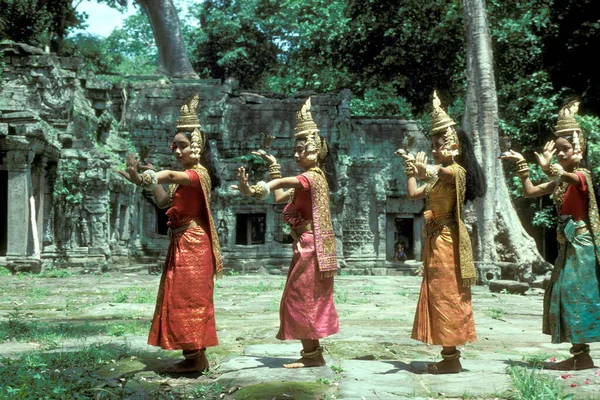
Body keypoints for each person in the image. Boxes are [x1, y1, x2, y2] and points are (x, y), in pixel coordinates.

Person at [231, 98, 339, 368]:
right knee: (302, 296)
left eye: (301, 150)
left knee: (300, 297)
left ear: (316, 153)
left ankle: (312, 356)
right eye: (296, 150)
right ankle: (312, 355)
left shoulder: (312, 177)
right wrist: (273, 164)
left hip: (311, 247)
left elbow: (279, 185)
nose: (296, 155)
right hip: (306, 245)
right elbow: (280, 196)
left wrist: (254, 189)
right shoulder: (308, 181)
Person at [119, 94, 222, 373]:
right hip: (182, 244)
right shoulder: (184, 175)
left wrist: (145, 177)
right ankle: (193, 358)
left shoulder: (197, 174)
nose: (177, 151)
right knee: (179, 297)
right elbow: (165, 202)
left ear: (197, 147)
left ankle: (195, 359)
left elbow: (172, 176)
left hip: (194, 244)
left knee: (189, 299)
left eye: (183, 146)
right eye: (174, 146)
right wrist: (150, 181)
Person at [501, 101, 600, 370]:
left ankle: (582, 354)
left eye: (565, 149)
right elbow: (530, 191)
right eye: (557, 151)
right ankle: (581, 355)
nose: (560, 154)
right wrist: (522, 166)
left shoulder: (581, 176)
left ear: (578, 149)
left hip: (581, 244)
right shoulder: (559, 181)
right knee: (562, 293)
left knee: (573, 293)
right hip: (568, 246)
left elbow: (570, 178)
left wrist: (552, 169)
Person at [396, 91, 485, 374]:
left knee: (448, 293)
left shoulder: (456, 172)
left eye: (440, 144)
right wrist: (409, 167)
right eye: (433, 144)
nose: (435, 148)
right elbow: (412, 193)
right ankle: (448, 356)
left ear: (455, 146)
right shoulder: (437, 177)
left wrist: (425, 167)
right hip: (434, 241)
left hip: (448, 239)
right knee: (437, 292)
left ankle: (451, 359)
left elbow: (436, 172)